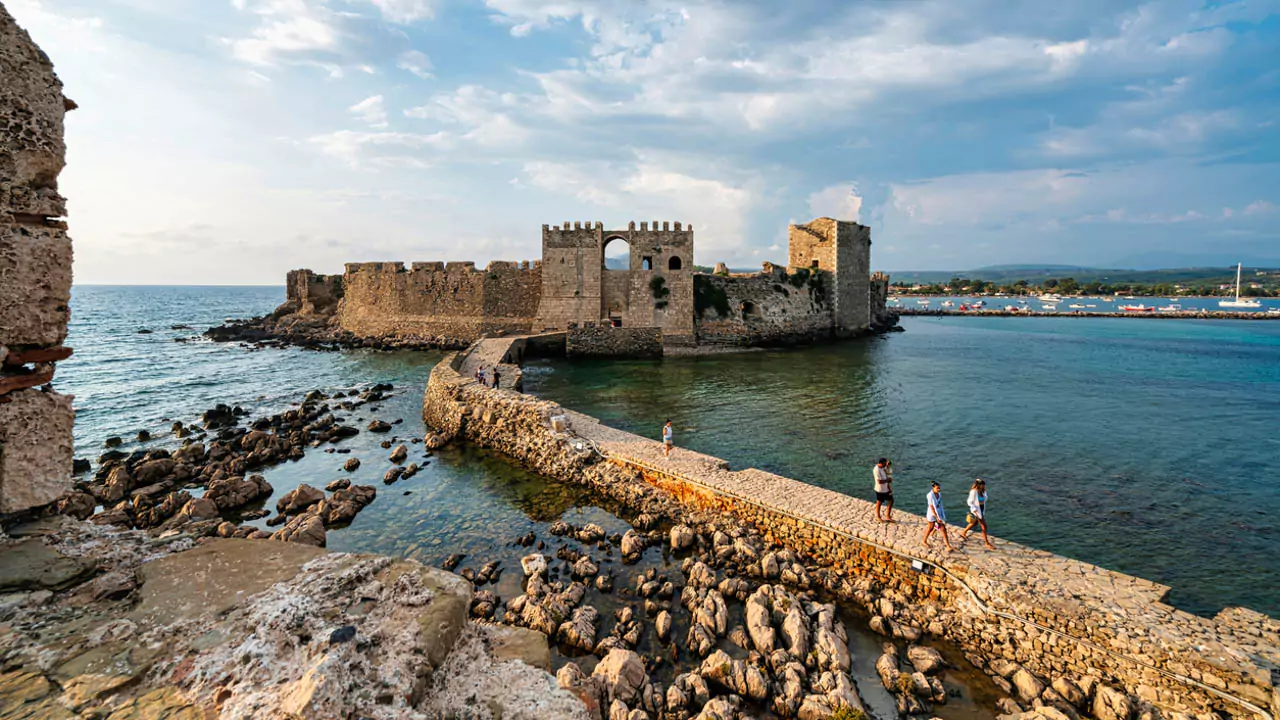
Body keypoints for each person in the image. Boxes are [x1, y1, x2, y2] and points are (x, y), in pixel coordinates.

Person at [960, 479, 995, 549]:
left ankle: (963, 532)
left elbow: (985, 499)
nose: (984, 486)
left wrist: (984, 492)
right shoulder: (973, 492)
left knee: (974, 523)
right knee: (984, 526)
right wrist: (974, 510)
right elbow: (969, 502)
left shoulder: (982, 491)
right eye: (983, 485)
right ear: (979, 485)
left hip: (981, 509)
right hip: (977, 511)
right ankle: (987, 543)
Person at [922, 482, 954, 553]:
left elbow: (940, 505)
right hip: (932, 514)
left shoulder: (939, 494)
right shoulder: (929, 495)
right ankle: (924, 541)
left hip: (938, 513)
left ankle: (948, 545)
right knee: (930, 527)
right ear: (933, 488)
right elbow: (931, 507)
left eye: (939, 488)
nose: (939, 489)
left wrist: (942, 515)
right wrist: (937, 517)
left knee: (943, 528)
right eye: (937, 488)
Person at [873, 458, 894, 522]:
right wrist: (888, 480)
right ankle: (878, 517)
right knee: (879, 502)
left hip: (886, 488)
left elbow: (887, 471)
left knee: (891, 500)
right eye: (884, 463)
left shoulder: (883, 467)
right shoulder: (876, 470)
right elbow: (879, 481)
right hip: (880, 489)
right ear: (881, 463)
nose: (885, 465)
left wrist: (889, 487)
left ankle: (888, 516)